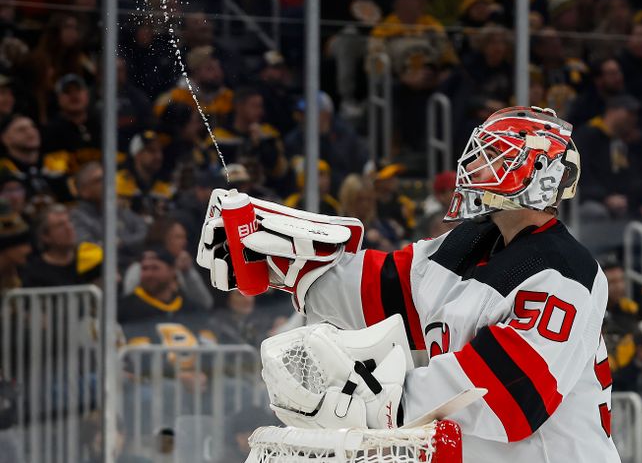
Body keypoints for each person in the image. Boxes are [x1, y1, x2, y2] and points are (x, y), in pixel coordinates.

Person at [197, 106, 620, 462]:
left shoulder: (563, 273)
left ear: (540, 176)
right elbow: (383, 289)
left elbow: (509, 395)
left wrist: (378, 401)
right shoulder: (467, 243)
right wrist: (284, 264)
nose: (474, 164)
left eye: (496, 155)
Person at [21, 204, 102, 289]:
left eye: (69, 222)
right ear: (46, 236)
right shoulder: (34, 272)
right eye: (60, 225)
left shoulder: (90, 259)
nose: (69, 228)